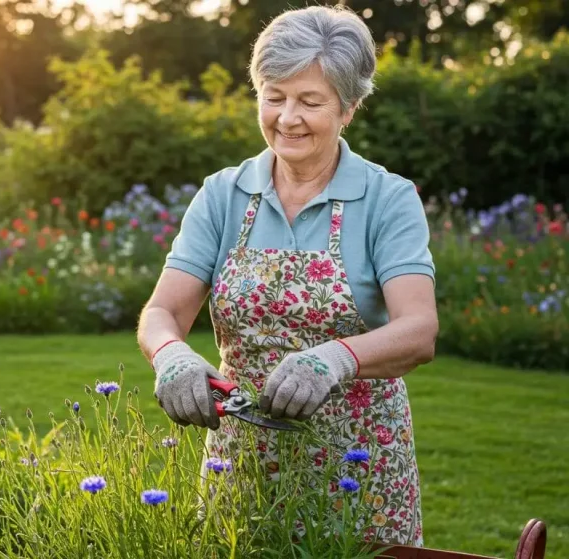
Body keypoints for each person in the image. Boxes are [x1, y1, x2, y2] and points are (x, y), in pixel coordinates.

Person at [136, 5, 438, 547]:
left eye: (310, 101)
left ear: (349, 108)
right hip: (243, 465)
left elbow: (418, 331)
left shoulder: (387, 198)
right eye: (274, 97)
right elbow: (163, 312)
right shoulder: (223, 195)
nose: (287, 117)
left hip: (359, 467)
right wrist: (171, 356)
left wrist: (336, 357)